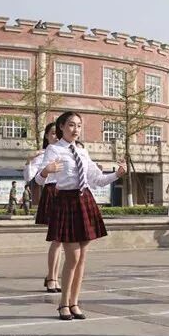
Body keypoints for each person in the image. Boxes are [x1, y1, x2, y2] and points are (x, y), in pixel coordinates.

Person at [36, 111, 126, 320]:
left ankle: (74, 302)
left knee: (82, 257)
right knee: (73, 256)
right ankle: (63, 303)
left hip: (84, 200)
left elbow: (97, 180)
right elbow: (39, 180)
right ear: (61, 127)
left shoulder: (82, 152)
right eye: (71, 125)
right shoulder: (53, 149)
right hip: (66, 202)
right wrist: (47, 170)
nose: (75, 129)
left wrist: (116, 174)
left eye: (78, 125)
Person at [25, 122, 63, 293]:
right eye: (52, 133)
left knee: (61, 240)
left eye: (58, 133)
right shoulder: (42, 154)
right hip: (52, 193)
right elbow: (30, 177)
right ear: (46, 136)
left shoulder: (66, 151)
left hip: (65, 193)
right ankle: (52, 278)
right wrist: (29, 161)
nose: (56, 136)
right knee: (57, 238)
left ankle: (52, 276)